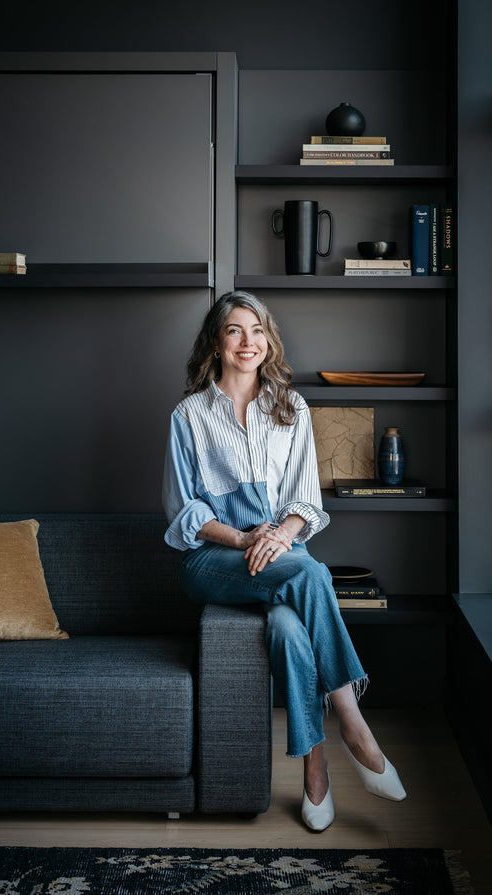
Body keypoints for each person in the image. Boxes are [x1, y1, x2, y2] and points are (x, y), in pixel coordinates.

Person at [162, 290, 406, 832]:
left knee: (288, 629)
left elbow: (305, 500)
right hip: (213, 560)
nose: (247, 341)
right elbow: (184, 510)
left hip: (281, 552)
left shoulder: (290, 407)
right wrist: (245, 539)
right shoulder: (189, 415)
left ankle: (315, 768)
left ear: (268, 341)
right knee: (311, 571)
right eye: (234, 330)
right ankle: (355, 726)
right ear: (216, 342)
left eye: (257, 330)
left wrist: (281, 535)